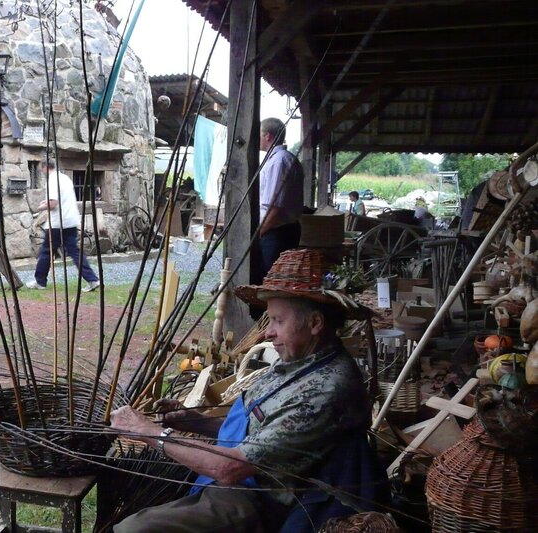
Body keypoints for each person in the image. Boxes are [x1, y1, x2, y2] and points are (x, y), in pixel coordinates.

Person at [109, 248, 382, 533]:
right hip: (243, 476)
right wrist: (194, 422)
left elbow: (230, 468)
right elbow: (262, 433)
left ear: (315, 323)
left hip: (262, 498)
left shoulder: (324, 391)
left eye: (278, 320)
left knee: (134, 529)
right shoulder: (301, 360)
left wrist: (149, 433)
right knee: (124, 482)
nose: (267, 332)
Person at [26, 159, 100, 292]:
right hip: (70, 220)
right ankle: (92, 279)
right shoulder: (65, 178)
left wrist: (41, 207)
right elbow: (61, 199)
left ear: (45, 167)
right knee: (75, 252)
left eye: (41, 169)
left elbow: (53, 204)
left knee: (46, 252)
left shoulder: (52, 181)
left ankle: (40, 281)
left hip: (58, 223)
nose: (41, 172)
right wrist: (47, 201)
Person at [255, 117, 304, 286]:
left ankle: (266, 313)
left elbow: (275, 207)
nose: (257, 138)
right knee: (272, 280)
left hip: (276, 232)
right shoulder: (280, 159)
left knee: (270, 281)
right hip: (278, 230)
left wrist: (259, 232)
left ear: (268, 136)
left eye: (259, 134)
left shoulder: (279, 161)